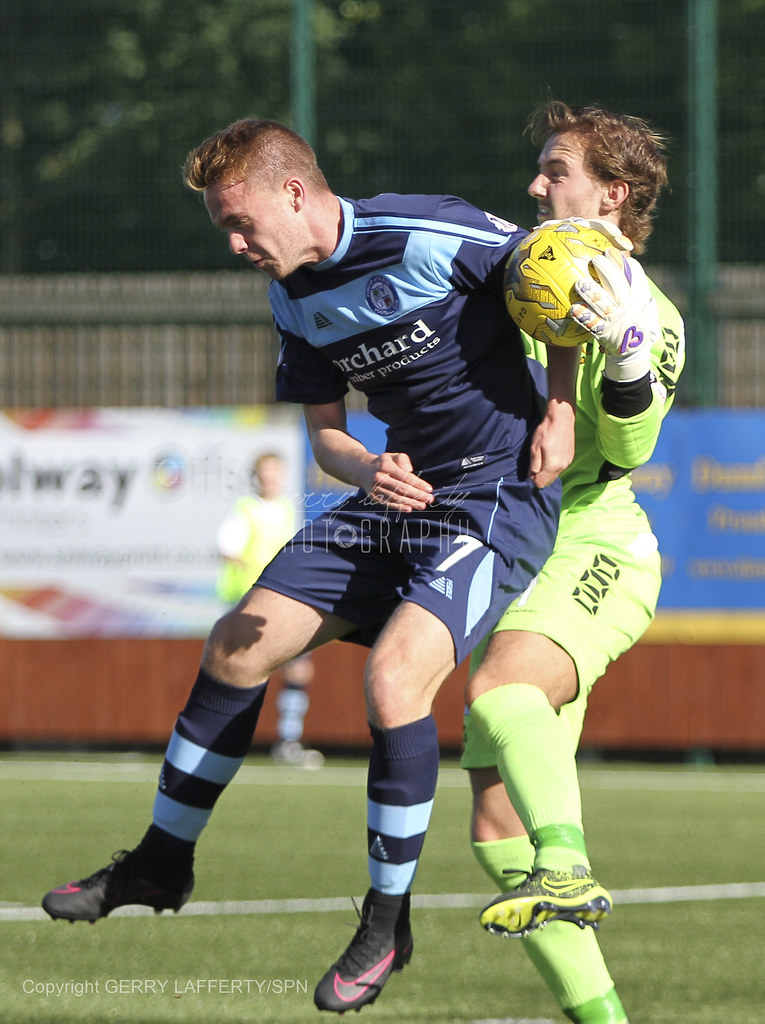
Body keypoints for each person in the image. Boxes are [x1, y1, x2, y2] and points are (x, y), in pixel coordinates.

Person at [41, 118, 579, 1014]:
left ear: (294, 193)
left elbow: (556, 280)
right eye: (224, 229)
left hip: (495, 498)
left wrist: (559, 407)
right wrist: (367, 468)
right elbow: (326, 436)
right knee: (236, 646)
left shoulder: (428, 231)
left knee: (394, 681)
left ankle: (386, 921)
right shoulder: (291, 296)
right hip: (392, 497)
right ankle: (161, 863)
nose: (235, 244)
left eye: (239, 222)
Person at [462, 102, 685, 1024]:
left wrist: (625, 356)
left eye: (556, 171)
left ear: (612, 194)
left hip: (596, 544)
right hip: (513, 544)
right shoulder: (521, 274)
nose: (534, 185)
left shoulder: (651, 315)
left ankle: (566, 864)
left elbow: (630, 447)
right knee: (492, 824)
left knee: (501, 693)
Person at [216, 451, 323, 768]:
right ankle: (221, 738)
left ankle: (288, 741)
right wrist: (255, 578)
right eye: (265, 471)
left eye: (276, 471)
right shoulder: (244, 509)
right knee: (242, 670)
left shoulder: (289, 509)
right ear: (256, 476)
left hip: (283, 599)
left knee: (298, 667)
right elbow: (228, 549)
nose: (271, 477)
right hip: (250, 601)